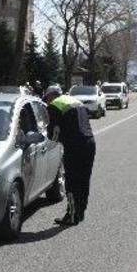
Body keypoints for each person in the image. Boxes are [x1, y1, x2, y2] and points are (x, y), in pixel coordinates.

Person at [44, 86, 96, 226]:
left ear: (50, 96)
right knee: (84, 181)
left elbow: (54, 133)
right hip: (89, 142)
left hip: (74, 146)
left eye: (47, 99)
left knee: (72, 181)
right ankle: (80, 213)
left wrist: (50, 145)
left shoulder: (55, 105)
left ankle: (72, 216)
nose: (47, 102)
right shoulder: (75, 101)